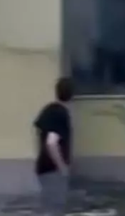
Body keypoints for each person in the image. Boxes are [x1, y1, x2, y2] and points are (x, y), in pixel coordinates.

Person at [33, 77, 74, 216]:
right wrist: (62, 167)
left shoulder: (47, 110)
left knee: (48, 207)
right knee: (55, 209)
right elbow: (51, 142)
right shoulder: (61, 114)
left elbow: (38, 133)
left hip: (42, 167)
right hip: (53, 170)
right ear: (71, 96)